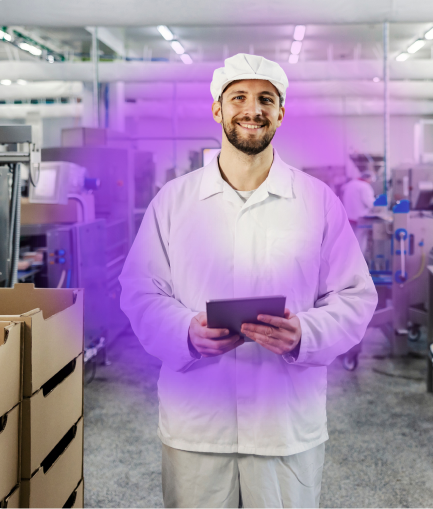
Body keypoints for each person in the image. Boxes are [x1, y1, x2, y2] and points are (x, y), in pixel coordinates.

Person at [119, 53, 378, 509]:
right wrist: (185, 332)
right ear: (217, 109)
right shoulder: (175, 201)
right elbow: (140, 291)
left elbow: (355, 296)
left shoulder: (316, 200)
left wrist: (306, 333)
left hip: (284, 428)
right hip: (197, 425)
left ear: (281, 112)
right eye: (238, 97)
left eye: (265, 99)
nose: (252, 109)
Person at [341, 170, 376, 260]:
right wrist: (378, 206)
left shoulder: (350, 184)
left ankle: (350, 260)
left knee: (352, 240)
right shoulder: (365, 186)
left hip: (350, 217)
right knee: (361, 240)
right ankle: (358, 261)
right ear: (368, 178)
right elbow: (369, 203)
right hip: (361, 217)